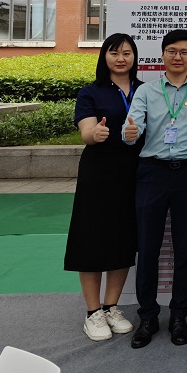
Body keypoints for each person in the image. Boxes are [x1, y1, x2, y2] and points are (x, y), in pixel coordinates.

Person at [122, 29, 187, 349]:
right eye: (172, 51)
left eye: (184, 52)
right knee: (147, 247)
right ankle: (148, 316)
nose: (178, 57)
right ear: (162, 54)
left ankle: (179, 315)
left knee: (184, 247)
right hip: (152, 173)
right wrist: (129, 133)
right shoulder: (146, 91)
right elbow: (131, 129)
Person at [65, 33, 143, 342]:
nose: (121, 58)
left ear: (134, 57)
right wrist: (94, 133)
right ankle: (92, 312)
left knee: (123, 238)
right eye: (114, 53)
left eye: (127, 53)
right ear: (104, 57)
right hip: (98, 174)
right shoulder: (91, 92)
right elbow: (86, 130)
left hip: (134, 172)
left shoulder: (145, 91)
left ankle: (111, 307)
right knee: (92, 239)